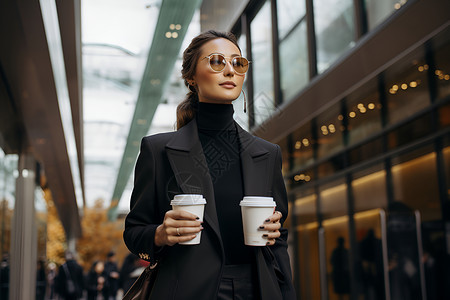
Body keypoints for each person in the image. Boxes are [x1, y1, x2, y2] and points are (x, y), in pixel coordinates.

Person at [123, 30, 295, 299]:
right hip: (186, 291)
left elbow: (279, 237)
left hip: (259, 289)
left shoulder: (267, 153)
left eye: (238, 63)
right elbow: (134, 232)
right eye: (217, 61)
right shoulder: (158, 150)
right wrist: (160, 234)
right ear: (191, 78)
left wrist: (284, 286)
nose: (230, 70)